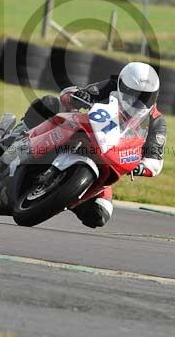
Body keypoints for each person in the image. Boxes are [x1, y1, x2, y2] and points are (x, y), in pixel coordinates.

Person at [21, 62, 167, 228]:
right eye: (134, 93)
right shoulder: (109, 87)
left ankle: (65, 196)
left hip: (108, 158)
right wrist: (80, 97)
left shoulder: (156, 121)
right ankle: (17, 137)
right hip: (84, 135)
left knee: (99, 214)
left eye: (145, 97)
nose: (138, 100)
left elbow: (155, 160)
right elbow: (69, 96)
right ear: (121, 85)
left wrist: (140, 167)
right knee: (50, 103)